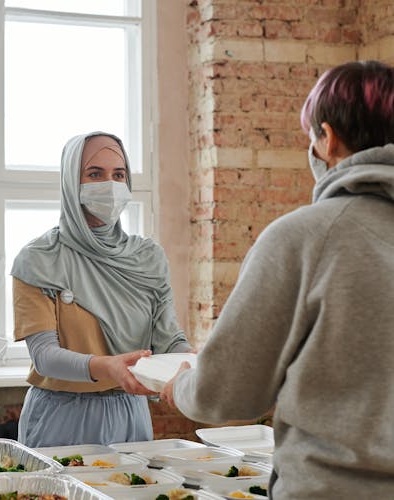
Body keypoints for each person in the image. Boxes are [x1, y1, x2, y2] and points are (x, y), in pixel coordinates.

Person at [161, 60, 394, 497]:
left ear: (327, 138)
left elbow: (227, 391)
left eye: (312, 136)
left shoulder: (306, 237)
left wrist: (182, 386)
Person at [10, 131, 192, 447]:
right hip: (61, 416)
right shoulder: (39, 259)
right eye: (95, 174)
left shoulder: (147, 258)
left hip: (130, 413)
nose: (109, 185)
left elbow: (167, 339)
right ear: (71, 181)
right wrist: (108, 366)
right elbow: (44, 356)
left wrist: (190, 364)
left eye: (118, 175)